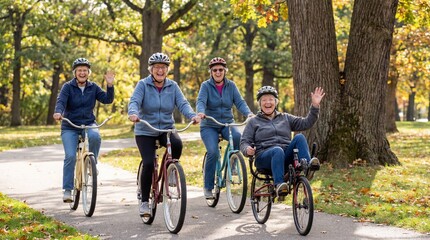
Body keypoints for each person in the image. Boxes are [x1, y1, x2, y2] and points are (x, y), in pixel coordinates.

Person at [128, 52, 201, 217]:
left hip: (166, 128)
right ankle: (145, 202)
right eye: (157, 68)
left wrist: (192, 115)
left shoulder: (173, 86)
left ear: (167, 69)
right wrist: (133, 113)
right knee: (148, 163)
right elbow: (134, 101)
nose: (160, 70)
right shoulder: (143, 85)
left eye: (163, 67)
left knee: (177, 144)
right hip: (145, 130)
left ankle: (170, 174)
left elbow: (183, 104)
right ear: (151, 70)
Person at [240, 86, 325, 197]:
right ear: (259, 104)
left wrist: (315, 106)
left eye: (271, 99)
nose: (267, 102)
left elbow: (306, 123)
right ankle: (279, 185)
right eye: (264, 100)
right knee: (277, 150)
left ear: (276, 102)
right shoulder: (253, 121)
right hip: (265, 158)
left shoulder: (285, 118)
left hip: (284, 156)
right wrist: (247, 150)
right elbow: (244, 142)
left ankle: (308, 167)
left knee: (299, 137)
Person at [53, 57, 115, 203]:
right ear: (75, 73)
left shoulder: (93, 87)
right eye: (79, 70)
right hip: (70, 126)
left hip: (88, 123)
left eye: (85, 71)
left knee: (95, 137)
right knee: (70, 156)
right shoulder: (68, 87)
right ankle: (68, 190)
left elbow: (107, 99)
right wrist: (58, 112)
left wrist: (110, 86)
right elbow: (61, 101)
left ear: (88, 73)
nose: (82, 73)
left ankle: (92, 163)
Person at [196, 57, 253, 199]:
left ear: (225, 71)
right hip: (209, 124)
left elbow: (240, 102)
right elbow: (201, 101)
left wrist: (249, 113)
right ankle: (208, 187)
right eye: (214, 70)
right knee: (213, 152)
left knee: (239, 138)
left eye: (220, 69)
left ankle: (233, 162)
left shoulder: (231, 86)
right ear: (211, 72)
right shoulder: (205, 86)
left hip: (227, 123)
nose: (218, 72)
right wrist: (200, 112)